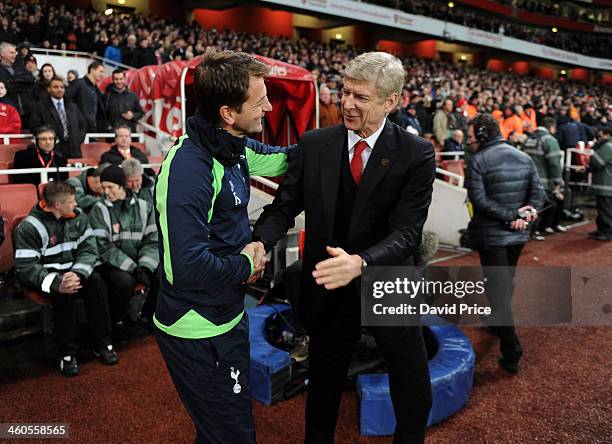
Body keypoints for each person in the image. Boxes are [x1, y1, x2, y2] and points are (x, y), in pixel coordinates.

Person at [253, 51, 436, 443]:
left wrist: (362, 262)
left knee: (412, 381)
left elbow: (408, 233)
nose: (348, 104)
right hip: (329, 284)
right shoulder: (315, 143)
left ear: (391, 101)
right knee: (324, 382)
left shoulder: (416, 154)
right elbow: (283, 207)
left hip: (388, 280)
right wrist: (259, 243)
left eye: (361, 97)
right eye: (345, 92)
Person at [153, 49, 294, 444]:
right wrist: (247, 265)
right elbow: (187, 267)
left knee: (221, 430)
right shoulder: (189, 169)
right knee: (233, 435)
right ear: (228, 113)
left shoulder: (233, 145)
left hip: (228, 314)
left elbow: (288, 161)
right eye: (260, 99)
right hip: (196, 326)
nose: (269, 106)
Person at [465, 113, 545, 374]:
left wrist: (512, 217)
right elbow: (538, 195)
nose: (469, 142)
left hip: (493, 235)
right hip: (518, 235)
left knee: (498, 291)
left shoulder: (477, 160)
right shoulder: (524, 157)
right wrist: (525, 215)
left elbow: (478, 200)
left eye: (470, 137)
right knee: (504, 282)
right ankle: (498, 323)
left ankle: (511, 348)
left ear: (481, 135)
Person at [14, 180, 117, 377]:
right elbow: (26, 268)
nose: (75, 205)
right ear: (57, 205)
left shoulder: (79, 217)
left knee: (96, 283)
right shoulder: (29, 226)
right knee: (63, 297)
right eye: (71, 202)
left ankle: (102, 342)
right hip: (47, 277)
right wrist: (56, 282)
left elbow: (89, 249)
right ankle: (67, 353)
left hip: (74, 272)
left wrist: (77, 273)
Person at [89, 165, 159, 342]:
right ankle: (117, 321)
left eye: (110, 187)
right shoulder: (99, 209)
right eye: (103, 188)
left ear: (122, 186)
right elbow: (104, 248)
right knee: (124, 282)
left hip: (138, 260)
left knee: (163, 273)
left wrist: (145, 266)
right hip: (111, 263)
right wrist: (134, 268)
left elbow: (152, 240)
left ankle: (147, 315)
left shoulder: (145, 207)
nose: (106, 192)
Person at [523, 117, 565, 238]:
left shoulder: (529, 139)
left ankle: (532, 229)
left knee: (532, 206)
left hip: (528, 179)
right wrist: (557, 181)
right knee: (541, 206)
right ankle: (535, 230)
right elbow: (555, 163)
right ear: (551, 127)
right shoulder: (549, 140)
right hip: (543, 181)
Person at [30, 76, 87, 158]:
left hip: (73, 149)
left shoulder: (72, 106)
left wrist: (77, 140)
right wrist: (49, 140)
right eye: (55, 87)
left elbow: (82, 125)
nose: (59, 89)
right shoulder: (40, 107)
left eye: (62, 87)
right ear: (49, 89)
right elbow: (35, 127)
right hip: (52, 149)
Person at [0, 42, 35, 128]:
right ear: (2, 54)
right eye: (11, 52)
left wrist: (10, 82)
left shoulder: (21, 66)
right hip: (9, 112)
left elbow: (30, 81)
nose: (15, 55)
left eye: (15, 52)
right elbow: (6, 87)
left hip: (29, 111)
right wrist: (21, 84)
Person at [66, 61, 107, 133]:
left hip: (92, 128)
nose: (102, 75)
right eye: (101, 71)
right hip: (79, 128)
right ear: (92, 70)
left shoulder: (96, 89)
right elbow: (67, 101)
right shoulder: (78, 83)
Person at [588, 123, 612, 241]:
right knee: (603, 209)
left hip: (605, 184)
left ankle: (607, 232)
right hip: (606, 183)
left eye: (600, 136)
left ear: (607, 135)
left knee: (605, 210)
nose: (598, 138)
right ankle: (602, 230)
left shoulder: (608, 147)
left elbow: (596, 162)